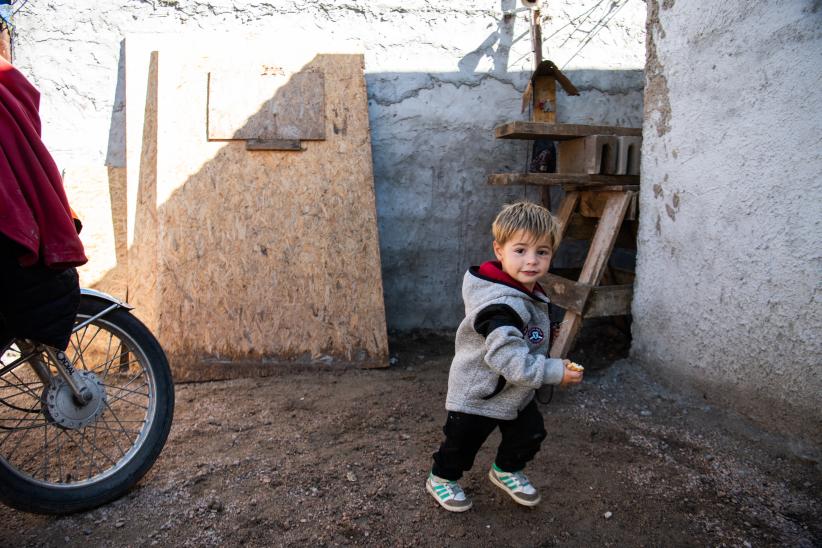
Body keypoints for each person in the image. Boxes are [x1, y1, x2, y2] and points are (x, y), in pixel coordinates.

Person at [426, 201, 583, 512]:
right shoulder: (499, 306)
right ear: (499, 250)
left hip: (515, 390)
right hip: (480, 392)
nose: (532, 261)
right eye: (521, 250)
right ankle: (441, 479)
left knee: (529, 433)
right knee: (461, 444)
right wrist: (553, 371)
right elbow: (508, 359)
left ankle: (506, 470)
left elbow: (524, 342)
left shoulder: (525, 289)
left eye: (542, 252)